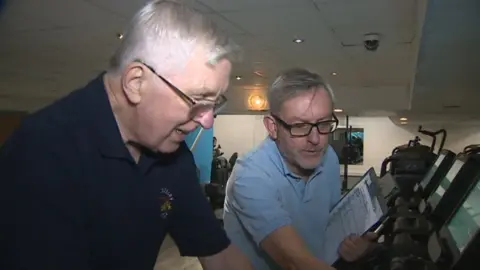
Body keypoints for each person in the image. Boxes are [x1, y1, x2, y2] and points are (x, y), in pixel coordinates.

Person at [0, 1, 253, 270]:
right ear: (136, 83)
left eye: (215, 103)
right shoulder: (41, 151)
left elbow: (219, 254)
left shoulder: (173, 157)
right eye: (199, 99)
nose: (207, 120)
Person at [223, 68, 376, 270]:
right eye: (300, 126)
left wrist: (355, 243)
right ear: (272, 127)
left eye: (323, 123)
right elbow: (296, 263)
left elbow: (333, 223)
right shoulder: (250, 177)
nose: (315, 140)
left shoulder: (328, 157)